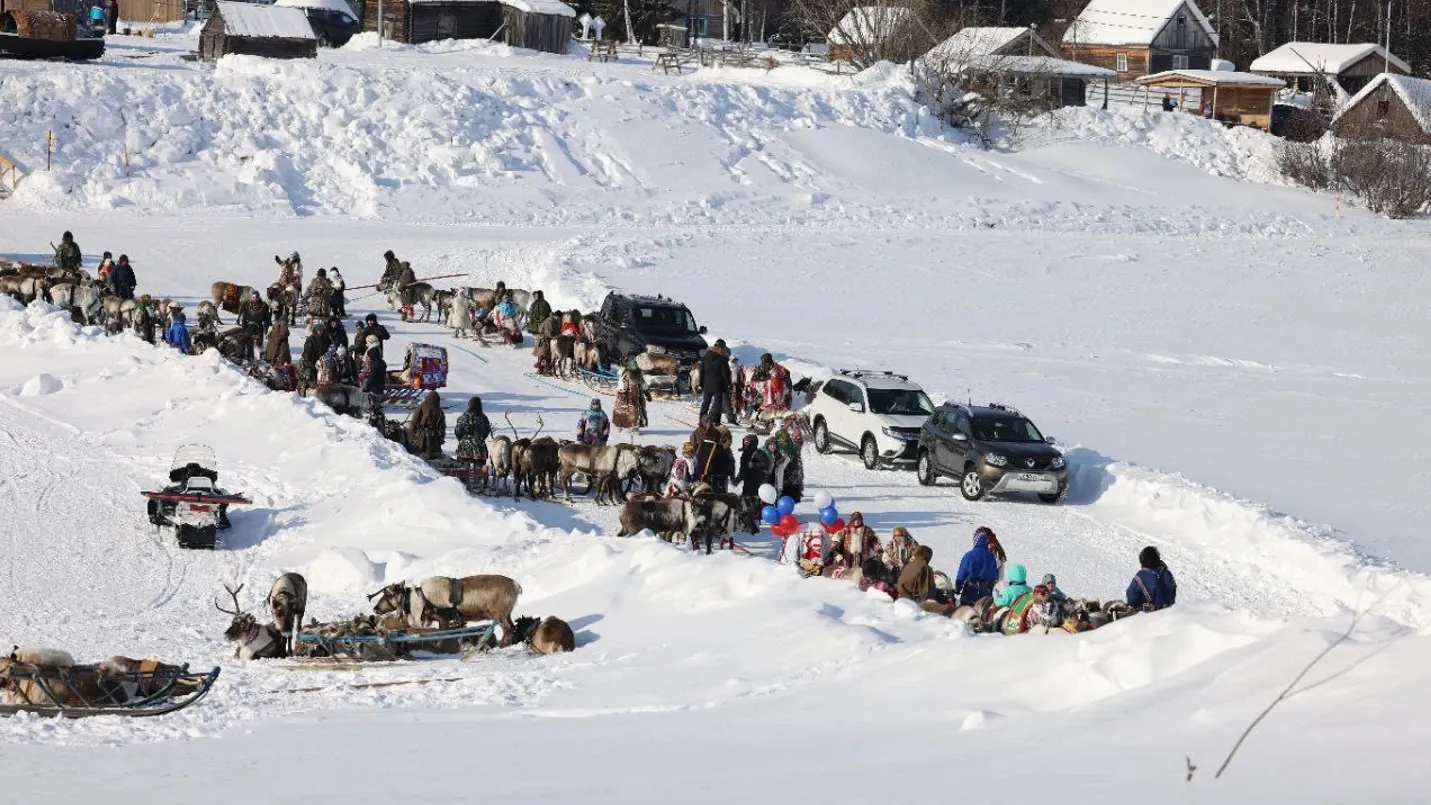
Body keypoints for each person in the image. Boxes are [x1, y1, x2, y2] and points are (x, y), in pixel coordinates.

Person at [735, 433, 772, 534]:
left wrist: (755, 465)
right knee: (745, 502)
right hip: (748, 482)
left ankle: (759, 521)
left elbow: (766, 466)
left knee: (756, 502)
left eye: (748, 442)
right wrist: (737, 479)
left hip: (758, 483)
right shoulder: (745, 454)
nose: (745, 444)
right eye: (745, 442)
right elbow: (742, 470)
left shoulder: (760, 453)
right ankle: (748, 522)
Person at [954, 527, 1000, 606]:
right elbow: (994, 576)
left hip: (970, 594)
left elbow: (962, 574)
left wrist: (958, 588)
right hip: (986, 596)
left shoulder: (969, 555)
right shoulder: (991, 556)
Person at [1127, 546, 1177, 612]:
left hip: (1149, 615)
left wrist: (1139, 606)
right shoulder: (1167, 573)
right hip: (1167, 613)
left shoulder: (1141, 576)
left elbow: (1131, 595)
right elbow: (1172, 590)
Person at [698, 339, 733, 423]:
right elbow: (725, 374)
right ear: (722, 347)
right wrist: (728, 384)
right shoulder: (722, 358)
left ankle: (702, 419)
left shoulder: (706, 356)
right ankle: (715, 420)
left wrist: (701, 383)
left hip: (707, 383)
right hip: (718, 384)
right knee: (717, 403)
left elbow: (702, 371)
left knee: (706, 401)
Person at [454, 396, 492, 469]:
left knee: (463, 468)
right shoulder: (483, 418)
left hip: (464, 446)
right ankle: (478, 478)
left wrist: (462, 440)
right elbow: (486, 431)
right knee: (479, 468)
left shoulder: (463, 417)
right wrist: (480, 438)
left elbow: (458, 430)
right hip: (479, 446)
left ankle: (463, 479)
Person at [407, 391, 445, 459]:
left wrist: (411, 437)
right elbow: (442, 427)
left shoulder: (422, 406)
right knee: (433, 456)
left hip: (421, 436)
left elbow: (414, 421)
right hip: (434, 438)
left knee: (419, 454)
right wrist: (441, 439)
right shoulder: (440, 411)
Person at [613, 362, 647, 431]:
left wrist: (645, 390)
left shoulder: (638, 375)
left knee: (633, 410)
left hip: (634, 395)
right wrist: (622, 391)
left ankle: (634, 427)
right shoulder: (625, 374)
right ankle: (619, 425)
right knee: (622, 409)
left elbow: (643, 384)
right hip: (624, 395)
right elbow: (621, 384)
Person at [237, 295, 271, 363]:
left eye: (255, 297)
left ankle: (254, 358)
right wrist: (244, 329)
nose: (254, 299)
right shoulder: (248, 306)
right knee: (241, 340)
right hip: (248, 329)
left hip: (258, 329)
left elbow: (266, 320)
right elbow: (244, 320)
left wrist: (265, 330)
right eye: (253, 297)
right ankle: (240, 357)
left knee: (257, 344)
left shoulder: (263, 307)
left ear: (258, 298)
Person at [299, 323, 329, 392]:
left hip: (322, 362)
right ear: (316, 330)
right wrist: (314, 363)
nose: (321, 332)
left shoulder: (326, 339)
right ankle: (303, 390)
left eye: (322, 330)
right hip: (310, 361)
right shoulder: (311, 339)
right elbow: (307, 353)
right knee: (308, 377)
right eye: (319, 330)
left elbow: (329, 349)